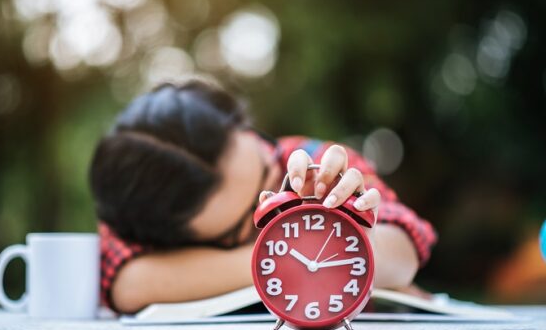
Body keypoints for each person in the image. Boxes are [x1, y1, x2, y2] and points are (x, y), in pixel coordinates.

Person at [89, 78, 437, 314]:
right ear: (168, 239)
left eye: (267, 164)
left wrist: (360, 237)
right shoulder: (136, 201)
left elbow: (404, 249)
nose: (275, 196)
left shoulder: (312, 161)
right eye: (252, 218)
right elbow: (128, 283)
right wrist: (300, 250)